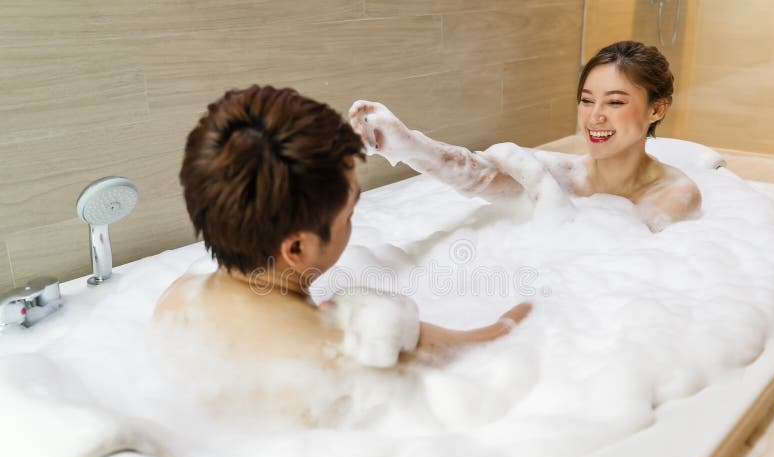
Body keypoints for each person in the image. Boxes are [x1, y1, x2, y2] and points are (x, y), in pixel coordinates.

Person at [155, 85, 530, 370]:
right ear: (297, 249)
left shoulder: (178, 298)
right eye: (350, 212)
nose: (354, 219)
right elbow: (485, 346)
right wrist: (535, 308)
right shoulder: (342, 347)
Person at [348, 41, 702, 232]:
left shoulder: (675, 196)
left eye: (615, 102)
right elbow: (475, 174)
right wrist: (405, 141)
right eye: (586, 100)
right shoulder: (562, 173)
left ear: (657, 110)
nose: (594, 117)